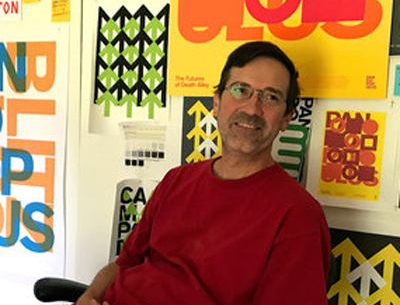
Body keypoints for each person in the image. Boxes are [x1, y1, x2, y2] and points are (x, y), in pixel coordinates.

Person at [76, 41, 331, 305]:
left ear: (286, 118)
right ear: (217, 103)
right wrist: (89, 296)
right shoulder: (176, 180)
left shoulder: (298, 215)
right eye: (240, 90)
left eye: (271, 97)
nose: (252, 109)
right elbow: (124, 263)